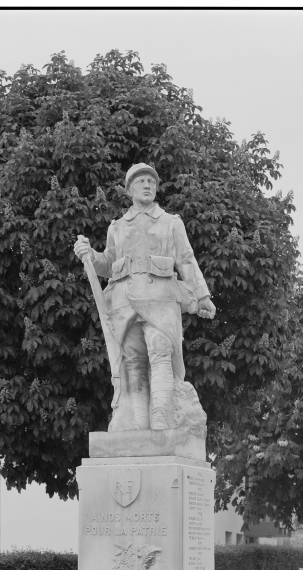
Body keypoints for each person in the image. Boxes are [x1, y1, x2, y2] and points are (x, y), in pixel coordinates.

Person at [74, 163, 216, 432]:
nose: (148, 185)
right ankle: (139, 423)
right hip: (125, 305)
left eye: (151, 181)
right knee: (134, 361)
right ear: (129, 190)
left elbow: (186, 260)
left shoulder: (171, 222)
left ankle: (161, 415)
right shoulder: (116, 227)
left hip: (161, 301)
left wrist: (202, 295)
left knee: (161, 349)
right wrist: (90, 255)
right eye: (141, 182)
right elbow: (107, 262)